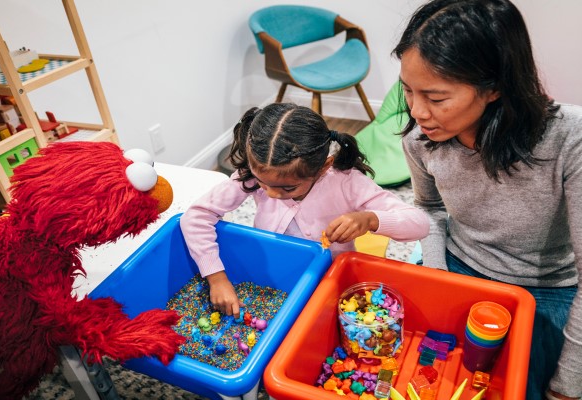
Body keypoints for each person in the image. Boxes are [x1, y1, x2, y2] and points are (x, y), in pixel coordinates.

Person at [393, 1, 582, 399]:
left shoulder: (570, 139)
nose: (417, 111)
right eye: (407, 91)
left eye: (437, 98)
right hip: (459, 262)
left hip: (544, 287)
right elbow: (429, 208)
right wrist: (438, 275)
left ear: (495, 87)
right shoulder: (419, 139)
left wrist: (567, 387)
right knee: (404, 359)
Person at [180, 103, 430, 319]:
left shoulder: (346, 182)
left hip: (328, 281)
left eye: (287, 188)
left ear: (323, 167)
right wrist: (216, 277)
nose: (270, 193)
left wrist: (371, 219)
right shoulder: (253, 177)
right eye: (262, 182)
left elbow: (419, 224)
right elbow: (197, 216)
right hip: (273, 277)